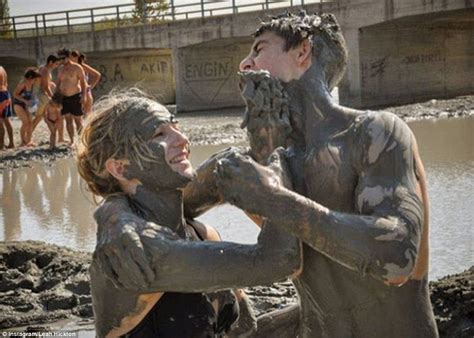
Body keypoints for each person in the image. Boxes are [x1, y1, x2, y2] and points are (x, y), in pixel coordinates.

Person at [96, 11, 440, 338]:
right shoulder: (257, 166)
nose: (244, 65)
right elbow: (162, 199)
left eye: (259, 50)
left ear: (303, 51)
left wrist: (274, 200)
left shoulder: (374, 133)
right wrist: (115, 217)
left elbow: (397, 257)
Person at [76, 89, 299, 337]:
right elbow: (280, 260)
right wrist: (275, 154)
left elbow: (243, 328)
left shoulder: (203, 233)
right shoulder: (132, 253)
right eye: (159, 134)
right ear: (120, 167)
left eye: (176, 126)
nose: (182, 139)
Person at [56, 47, 87, 145]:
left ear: (68, 57)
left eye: (63, 58)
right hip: (64, 97)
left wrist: (84, 96)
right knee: (68, 120)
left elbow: (83, 82)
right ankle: (72, 141)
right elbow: (58, 83)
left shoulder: (77, 67)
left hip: (75, 95)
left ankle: (81, 141)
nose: (61, 60)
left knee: (78, 120)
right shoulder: (60, 69)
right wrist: (56, 99)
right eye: (59, 58)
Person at [31, 54, 60, 133]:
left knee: (43, 117)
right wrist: (53, 97)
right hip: (41, 96)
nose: (56, 66)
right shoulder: (45, 70)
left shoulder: (42, 68)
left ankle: (53, 135)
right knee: (39, 117)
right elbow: (45, 87)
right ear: (51, 62)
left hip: (40, 95)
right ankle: (27, 138)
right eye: (56, 64)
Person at [13, 68, 41, 147]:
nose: (35, 80)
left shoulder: (32, 85)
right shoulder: (22, 84)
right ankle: (22, 142)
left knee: (30, 122)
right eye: (34, 79)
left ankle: (29, 141)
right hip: (18, 104)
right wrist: (25, 101)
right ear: (30, 78)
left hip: (27, 104)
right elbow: (15, 94)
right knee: (25, 122)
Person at [71, 51, 101, 115]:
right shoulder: (71, 67)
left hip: (86, 93)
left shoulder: (82, 66)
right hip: (76, 94)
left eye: (72, 57)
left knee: (87, 114)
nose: (70, 59)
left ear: (76, 58)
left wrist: (91, 86)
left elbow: (97, 75)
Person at [0, 66, 14, 150]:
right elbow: (6, 83)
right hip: (6, 93)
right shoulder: (2, 68)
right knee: (6, 120)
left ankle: (1, 145)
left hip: (0, 95)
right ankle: (11, 143)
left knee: (0, 121)